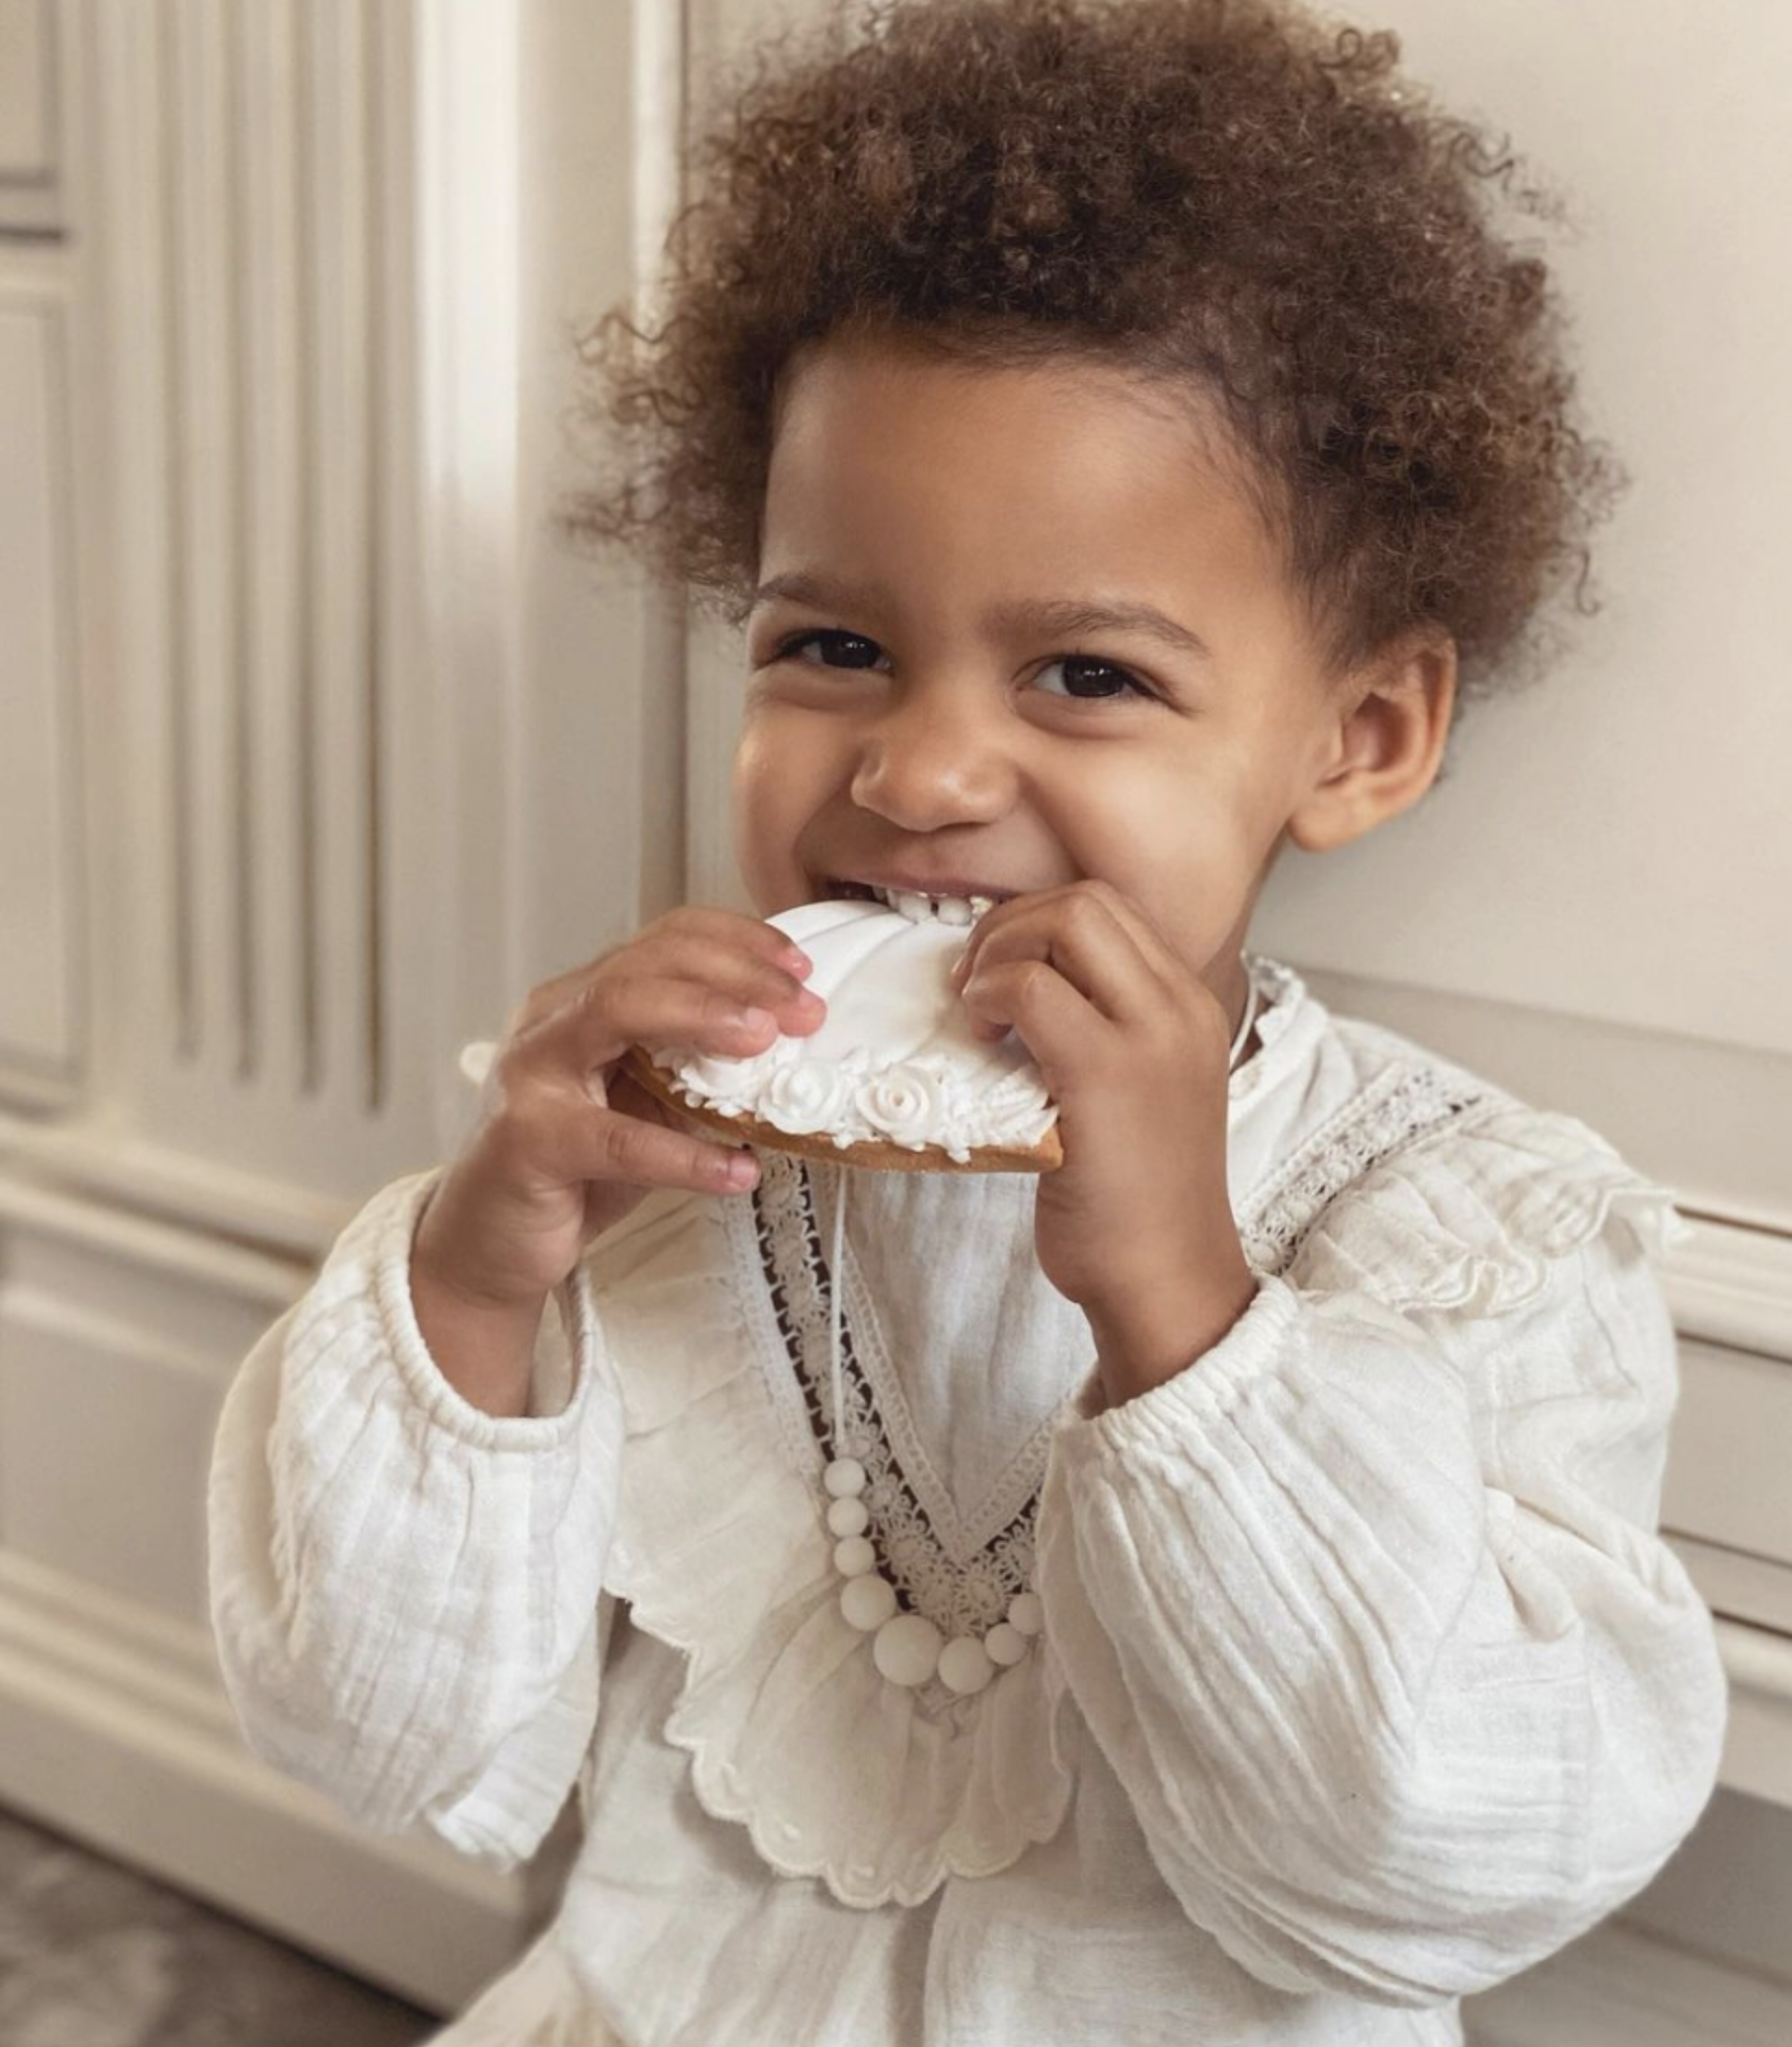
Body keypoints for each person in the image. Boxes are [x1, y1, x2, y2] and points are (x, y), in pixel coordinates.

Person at [205, 2, 1729, 2042]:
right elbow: (372, 1739)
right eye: (833, 643)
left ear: (1359, 736)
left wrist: (1186, 1308)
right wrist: (479, 1278)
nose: (917, 775)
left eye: (1087, 675)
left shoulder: (1466, 1234)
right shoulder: (662, 1166)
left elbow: (1438, 1863)